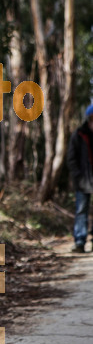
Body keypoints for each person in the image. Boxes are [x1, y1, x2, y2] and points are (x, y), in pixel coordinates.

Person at [67, 103, 93, 253]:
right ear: (89, 119)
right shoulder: (79, 134)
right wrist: (77, 175)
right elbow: (71, 158)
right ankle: (80, 241)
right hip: (83, 181)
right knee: (81, 210)